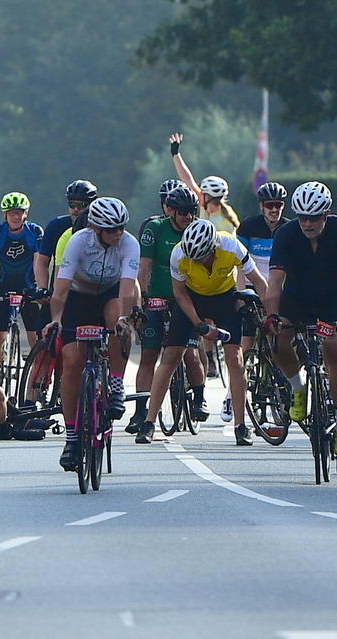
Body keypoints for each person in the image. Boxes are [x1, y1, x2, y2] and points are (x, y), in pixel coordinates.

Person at [136, 218, 268, 446]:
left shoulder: (231, 246)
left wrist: (270, 315)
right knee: (171, 356)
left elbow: (259, 281)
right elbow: (179, 293)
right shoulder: (179, 254)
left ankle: (240, 425)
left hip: (225, 299)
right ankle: (148, 423)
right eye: (193, 257)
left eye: (202, 257)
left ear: (213, 248)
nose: (197, 260)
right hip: (192, 298)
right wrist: (198, 324)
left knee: (235, 359)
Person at [266, 181, 337, 457]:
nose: (307, 223)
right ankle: (297, 388)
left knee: (334, 349)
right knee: (278, 342)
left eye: (314, 217)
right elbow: (274, 282)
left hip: (332, 299)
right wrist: (272, 315)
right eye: (302, 217)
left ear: (326, 214)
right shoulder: (286, 234)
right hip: (297, 298)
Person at [46, 197, 138, 471]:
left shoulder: (129, 244)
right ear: (95, 228)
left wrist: (124, 319)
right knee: (72, 361)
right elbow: (60, 289)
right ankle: (72, 437)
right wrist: (55, 320)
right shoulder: (78, 241)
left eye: (121, 227)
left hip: (110, 293)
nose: (117, 234)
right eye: (111, 230)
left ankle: (117, 382)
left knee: (118, 322)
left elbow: (127, 289)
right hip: (78, 296)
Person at [127, 185, 209, 438]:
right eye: (183, 211)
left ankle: (199, 397)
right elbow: (144, 266)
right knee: (150, 354)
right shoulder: (155, 228)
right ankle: (141, 411)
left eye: (192, 211)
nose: (188, 216)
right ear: (170, 211)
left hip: (187, 297)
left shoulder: (197, 230)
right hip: (158, 295)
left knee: (191, 355)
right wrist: (141, 300)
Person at [169, 132, 241, 377]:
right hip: (196, 263)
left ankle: (210, 358)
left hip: (220, 269)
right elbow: (187, 181)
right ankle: (209, 358)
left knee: (209, 314)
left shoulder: (227, 221)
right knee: (204, 319)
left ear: (211, 197)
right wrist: (176, 155)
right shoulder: (202, 207)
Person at [222, 181, 290, 421]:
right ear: (262, 206)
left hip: (276, 288)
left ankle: (279, 387)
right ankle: (232, 396)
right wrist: (241, 294)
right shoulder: (249, 227)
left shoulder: (288, 228)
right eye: (270, 205)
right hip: (251, 286)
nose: (274, 209)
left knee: (279, 341)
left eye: (279, 205)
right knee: (245, 344)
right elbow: (239, 264)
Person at [0, 191, 44, 382]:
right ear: (5, 215)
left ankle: (37, 379)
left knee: (35, 338)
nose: (16, 216)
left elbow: (39, 263)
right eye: (12, 213)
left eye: (19, 212)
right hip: (3, 289)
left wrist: (38, 290)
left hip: (28, 288)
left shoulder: (35, 232)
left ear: (26, 213)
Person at [33, 180, 97, 327]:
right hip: (59, 287)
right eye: (72, 205)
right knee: (44, 331)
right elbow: (42, 262)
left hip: (90, 289)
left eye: (81, 205)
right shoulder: (56, 226)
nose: (75, 209)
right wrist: (42, 288)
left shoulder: (101, 227)